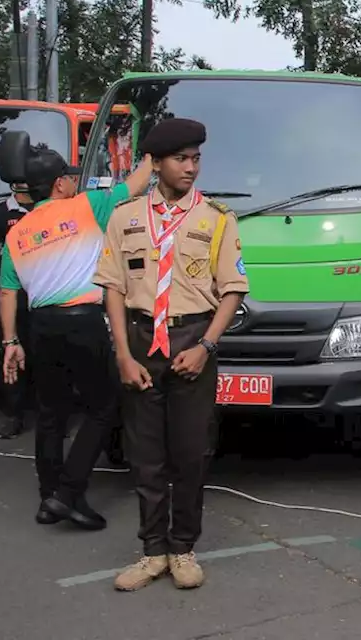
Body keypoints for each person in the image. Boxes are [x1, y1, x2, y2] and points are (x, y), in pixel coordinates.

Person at [94, 118, 249, 592]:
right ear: (156, 164)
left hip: (192, 341)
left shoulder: (217, 218)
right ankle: (152, 552)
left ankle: (183, 548)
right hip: (142, 343)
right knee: (145, 458)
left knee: (189, 454)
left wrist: (206, 347)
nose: (191, 168)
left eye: (196, 159)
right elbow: (114, 290)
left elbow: (232, 291)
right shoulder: (125, 217)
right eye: (181, 159)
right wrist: (122, 353)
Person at [0, 143, 153, 530]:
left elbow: (6, 292)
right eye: (69, 177)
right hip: (84, 322)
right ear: (61, 184)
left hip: (41, 327)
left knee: (51, 414)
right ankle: (68, 493)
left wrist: (10, 343)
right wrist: (151, 154)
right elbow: (136, 184)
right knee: (105, 405)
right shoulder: (87, 206)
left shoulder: (16, 233)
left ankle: (48, 498)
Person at [0, 185, 34, 439]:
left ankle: (54, 417)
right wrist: (13, 283)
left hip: (46, 294)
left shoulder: (51, 208)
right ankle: (15, 415)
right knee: (11, 352)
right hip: (14, 296)